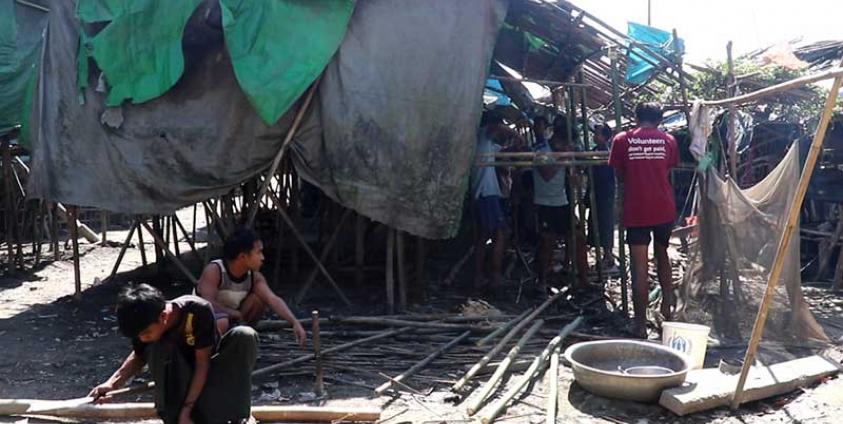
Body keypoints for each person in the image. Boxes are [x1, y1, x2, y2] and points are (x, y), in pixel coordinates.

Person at [89, 284, 258, 424]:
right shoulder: (144, 322)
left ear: (163, 316)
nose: (142, 338)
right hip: (176, 391)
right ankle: (174, 416)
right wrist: (111, 384)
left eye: (146, 333)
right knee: (157, 346)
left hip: (207, 382)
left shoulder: (197, 311)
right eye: (138, 335)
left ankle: (236, 415)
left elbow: (202, 364)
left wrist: (187, 409)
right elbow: (139, 355)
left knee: (244, 335)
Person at [609, 102, 679, 338]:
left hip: (636, 209)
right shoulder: (669, 140)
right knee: (662, 255)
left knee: (639, 267)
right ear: (659, 120)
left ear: (636, 117)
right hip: (664, 209)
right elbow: (667, 171)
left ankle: (639, 325)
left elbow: (619, 174)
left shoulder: (622, 139)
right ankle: (667, 309)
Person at [196, 227, 307, 344]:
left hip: (234, 319)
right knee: (222, 322)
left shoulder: (254, 277)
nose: (262, 258)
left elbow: (272, 299)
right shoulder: (215, 270)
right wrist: (232, 313)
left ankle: (244, 337)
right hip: (205, 321)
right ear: (243, 256)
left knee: (257, 301)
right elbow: (206, 303)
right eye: (258, 252)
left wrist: (294, 322)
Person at [533, 119, 588, 295]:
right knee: (547, 242)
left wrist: (576, 175)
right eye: (565, 142)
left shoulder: (564, 153)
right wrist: (562, 158)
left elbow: (574, 180)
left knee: (579, 237)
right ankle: (541, 281)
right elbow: (546, 174)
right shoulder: (542, 151)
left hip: (562, 202)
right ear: (557, 139)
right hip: (545, 203)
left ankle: (583, 280)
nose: (567, 145)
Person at [470, 111, 511, 293]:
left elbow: (502, 152)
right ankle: (495, 276)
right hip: (487, 194)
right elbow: (498, 128)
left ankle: (478, 276)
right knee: (500, 234)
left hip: (482, 194)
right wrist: (515, 133)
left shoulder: (486, 144)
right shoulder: (482, 135)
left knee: (481, 237)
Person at [587, 124, 616, 270]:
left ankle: (608, 255)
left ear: (605, 137)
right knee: (594, 222)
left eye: (598, 134)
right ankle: (601, 255)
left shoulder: (608, 152)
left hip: (605, 193)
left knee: (605, 223)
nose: (594, 136)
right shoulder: (593, 151)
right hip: (595, 192)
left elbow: (606, 175)